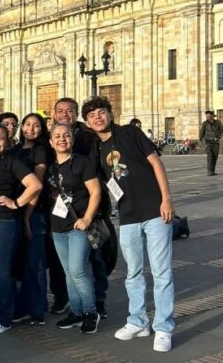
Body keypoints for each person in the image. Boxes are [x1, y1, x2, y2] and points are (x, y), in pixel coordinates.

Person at [83, 96, 175, 353]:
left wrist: (166, 199)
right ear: (88, 123)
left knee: (161, 272)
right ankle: (138, 321)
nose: (97, 118)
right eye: (91, 116)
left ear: (110, 114)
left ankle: (164, 327)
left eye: (101, 112)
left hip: (155, 211)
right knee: (133, 273)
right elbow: (94, 182)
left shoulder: (130, 133)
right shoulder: (97, 149)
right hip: (128, 217)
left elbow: (156, 163)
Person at [0, 124, 42, 334]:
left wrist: (16, 203)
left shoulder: (12, 162)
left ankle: (4, 317)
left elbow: (35, 185)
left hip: (2, 222)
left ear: (8, 141)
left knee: (2, 272)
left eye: (0, 139)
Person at [52, 97, 109, 319]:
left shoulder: (89, 136)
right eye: (60, 110)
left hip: (88, 211)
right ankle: (73, 305)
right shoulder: (54, 141)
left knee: (94, 258)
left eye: (69, 110)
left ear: (76, 114)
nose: (65, 114)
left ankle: (96, 302)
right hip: (62, 217)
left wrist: (90, 213)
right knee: (69, 269)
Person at [47, 122, 102, 334]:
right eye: (57, 136)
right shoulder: (51, 167)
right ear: (51, 142)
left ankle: (90, 312)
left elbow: (95, 192)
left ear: (72, 139)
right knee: (68, 272)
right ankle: (76, 311)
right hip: (57, 226)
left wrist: (87, 218)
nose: (62, 139)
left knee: (78, 271)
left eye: (66, 135)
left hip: (78, 225)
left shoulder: (82, 162)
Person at [11, 113, 52, 326]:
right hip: (17, 211)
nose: (31, 128)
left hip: (34, 212)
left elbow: (38, 186)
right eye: (27, 124)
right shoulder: (16, 150)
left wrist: (27, 216)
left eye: (36, 125)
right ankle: (24, 306)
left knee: (35, 262)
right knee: (21, 262)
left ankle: (37, 310)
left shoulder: (40, 151)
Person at [199, 110, 222, 176]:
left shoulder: (218, 122)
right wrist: (200, 141)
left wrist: (219, 137)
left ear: (212, 116)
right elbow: (201, 132)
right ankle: (209, 171)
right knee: (210, 156)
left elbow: (221, 130)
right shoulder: (204, 123)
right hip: (208, 142)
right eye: (207, 116)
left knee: (215, 156)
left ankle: (212, 171)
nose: (207, 117)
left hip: (216, 142)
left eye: (209, 116)